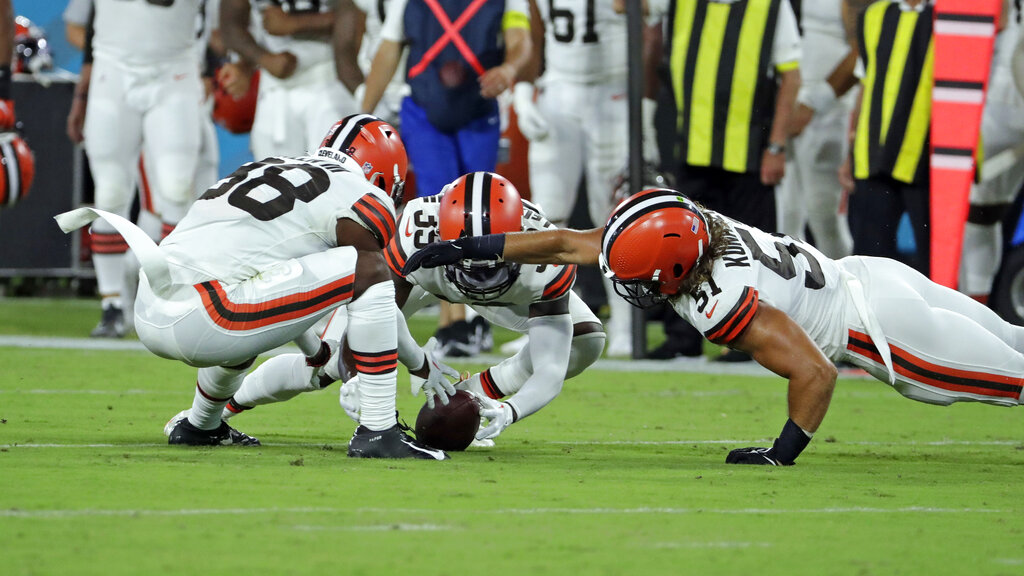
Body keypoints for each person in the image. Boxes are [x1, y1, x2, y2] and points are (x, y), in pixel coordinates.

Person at [403, 188, 1024, 465]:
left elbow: (814, 371)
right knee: (1015, 339)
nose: (626, 285)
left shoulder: (715, 299)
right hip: (870, 275)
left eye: (639, 278)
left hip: (881, 328)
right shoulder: (673, 223)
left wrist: (781, 453)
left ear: (673, 274)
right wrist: (471, 246)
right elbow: (569, 243)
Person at [56, 114, 447, 460]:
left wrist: (316, 349)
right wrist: (417, 362)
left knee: (244, 286)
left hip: (150, 302)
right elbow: (368, 275)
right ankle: (378, 430)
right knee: (370, 265)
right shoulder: (362, 192)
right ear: (381, 175)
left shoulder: (267, 165)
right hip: (211, 315)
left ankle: (201, 425)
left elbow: (270, 272)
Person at [170, 172, 606, 445]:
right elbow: (380, 307)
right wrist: (369, 369)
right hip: (428, 275)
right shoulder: (419, 227)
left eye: (489, 265)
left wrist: (511, 410)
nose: (478, 277)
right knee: (335, 364)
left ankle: (478, 394)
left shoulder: (543, 262)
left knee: (586, 343)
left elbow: (550, 366)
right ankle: (217, 414)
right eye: (469, 263)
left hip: (512, 297)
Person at [360, 0, 532, 357]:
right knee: (439, 214)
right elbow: (390, 46)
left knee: (483, 216)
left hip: (478, 110)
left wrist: (509, 68)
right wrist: (362, 116)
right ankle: (451, 321)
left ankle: (478, 314)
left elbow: (519, 37)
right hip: (426, 110)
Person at [643, 0, 802, 362]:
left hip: (749, 150)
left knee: (753, 251)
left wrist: (776, 145)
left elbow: (791, 77)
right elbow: (626, 9)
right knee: (681, 247)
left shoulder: (771, 8)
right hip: (691, 147)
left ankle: (751, 340)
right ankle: (682, 337)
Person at [65, 0, 206, 338]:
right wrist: (82, 92)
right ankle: (112, 303)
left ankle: (170, 300)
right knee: (110, 192)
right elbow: (91, 26)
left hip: (175, 70)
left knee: (175, 189)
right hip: (111, 70)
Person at [509, 0, 640, 357]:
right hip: (559, 90)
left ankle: (625, 322)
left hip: (612, 90)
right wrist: (523, 92)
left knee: (613, 214)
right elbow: (532, 35)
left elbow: (651, 25)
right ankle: (541, 321)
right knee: (545, 214)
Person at [839, 0, 934, 275]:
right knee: (869, 259)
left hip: (927, 158)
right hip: (874, 155)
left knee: (936, 263)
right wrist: (851, 151)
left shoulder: (951, 17)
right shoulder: (874, 15)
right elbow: (866, 83)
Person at [219, 0, 364, 159]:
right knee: (272, 178)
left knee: (336, 174)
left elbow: (360, 14)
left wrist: (295, 23)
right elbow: (230, 25)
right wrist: (262, 58)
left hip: (330, 81)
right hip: (274, 89)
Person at [777, 0, 855, 259]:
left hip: (830, 106)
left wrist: (814, 102)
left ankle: (847, 291)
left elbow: (864, 48)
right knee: (785, 214)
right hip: (790, 96)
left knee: (823, 214)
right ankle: (789, 294)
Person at [959, 1, 1023, 304]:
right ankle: (978, 308)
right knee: (986, 214)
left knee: (974, 214)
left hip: (1001, 97)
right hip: (1008, 94)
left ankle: (973, 311)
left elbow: (993, 18)